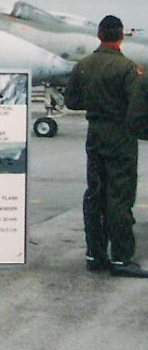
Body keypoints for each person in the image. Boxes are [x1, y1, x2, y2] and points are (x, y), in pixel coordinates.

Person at [65, 14, 148, 277]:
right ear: (121, 37)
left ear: (99, 35)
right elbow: (136, 109)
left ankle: (95, 254)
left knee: (95, 194)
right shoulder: (127, 69)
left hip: (95, 135)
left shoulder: (84, 65)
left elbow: (71, 101)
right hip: (120, 137)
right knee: (119, 197)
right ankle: (122, 259)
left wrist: (97, 106)